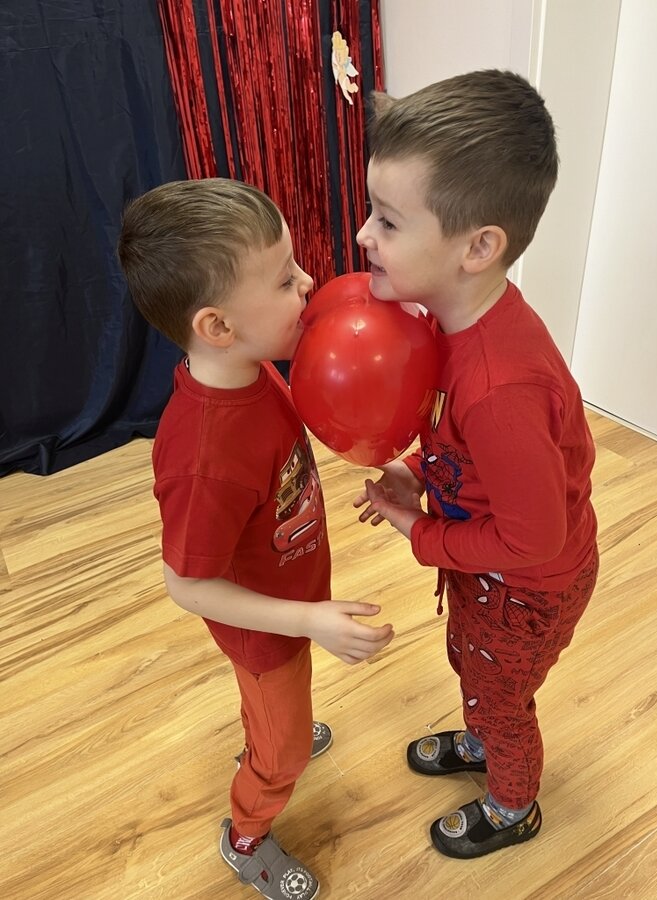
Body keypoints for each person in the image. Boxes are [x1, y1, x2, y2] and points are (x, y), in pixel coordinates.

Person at [118, 178, 394, 900]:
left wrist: (384, 459)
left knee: (280, 716)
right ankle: (246, 834)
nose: (307, 282)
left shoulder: (253, 368)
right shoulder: (204, 454)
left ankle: (274, 734)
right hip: (266, 631)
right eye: (282, 278)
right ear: (218, 326)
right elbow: (185, 584)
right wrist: (308, 619)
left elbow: (302, 431)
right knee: (283, 752)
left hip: (290, 595)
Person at [353, 70, 598, 859]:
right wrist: (421, 473)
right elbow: (464, 447)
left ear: (478, 247)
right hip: (492, 569)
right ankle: (483, 736)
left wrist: (420, 532)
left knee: (499, 694)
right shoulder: (453, 327)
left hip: (524, 586)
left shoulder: (497, 388)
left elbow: (531, 537)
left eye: (388, 220)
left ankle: (511, 803)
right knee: (474, 666)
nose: (362, 235)